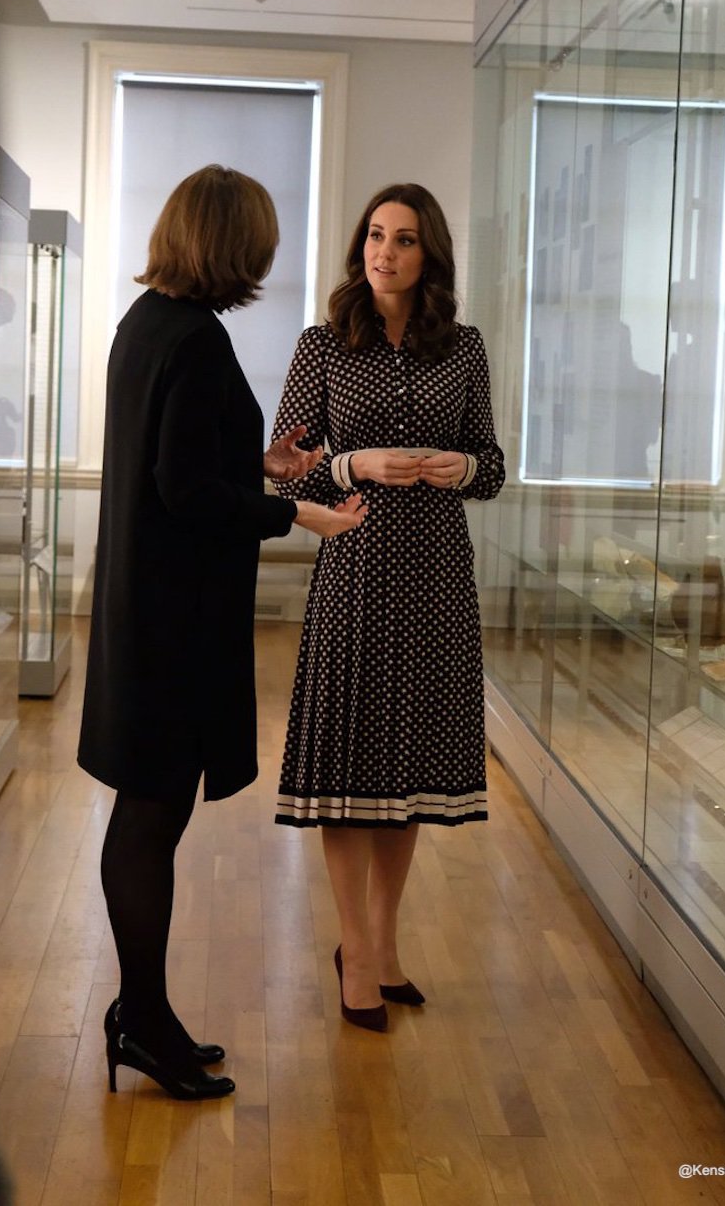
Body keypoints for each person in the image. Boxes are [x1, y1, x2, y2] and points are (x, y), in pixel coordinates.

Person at [77, 165, 366, 1098]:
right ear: (232, 244)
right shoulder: (196, 339)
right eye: (262, 242)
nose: (268, 258)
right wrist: (296, 512)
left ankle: (143, 1016)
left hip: (142, 608)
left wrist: (260, 461)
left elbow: (179, 458)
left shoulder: (147, 323)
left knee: (146, 809)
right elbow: (186, 492)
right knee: (151, 813)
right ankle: (145, 1024)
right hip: (173, 622)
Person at [270, 182, 504, 1030]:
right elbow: (283, 463)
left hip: (438, 573)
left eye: (404, 240)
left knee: (404, 774)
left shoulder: (463, 348)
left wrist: (463, 471)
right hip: (358, 564)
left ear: (428, 254)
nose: (385, 252)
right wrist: (354, 464)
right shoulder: (324, 343)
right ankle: (355, 951)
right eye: (375, 235)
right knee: (349, 768)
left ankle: (385, 941)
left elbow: (493, 461)